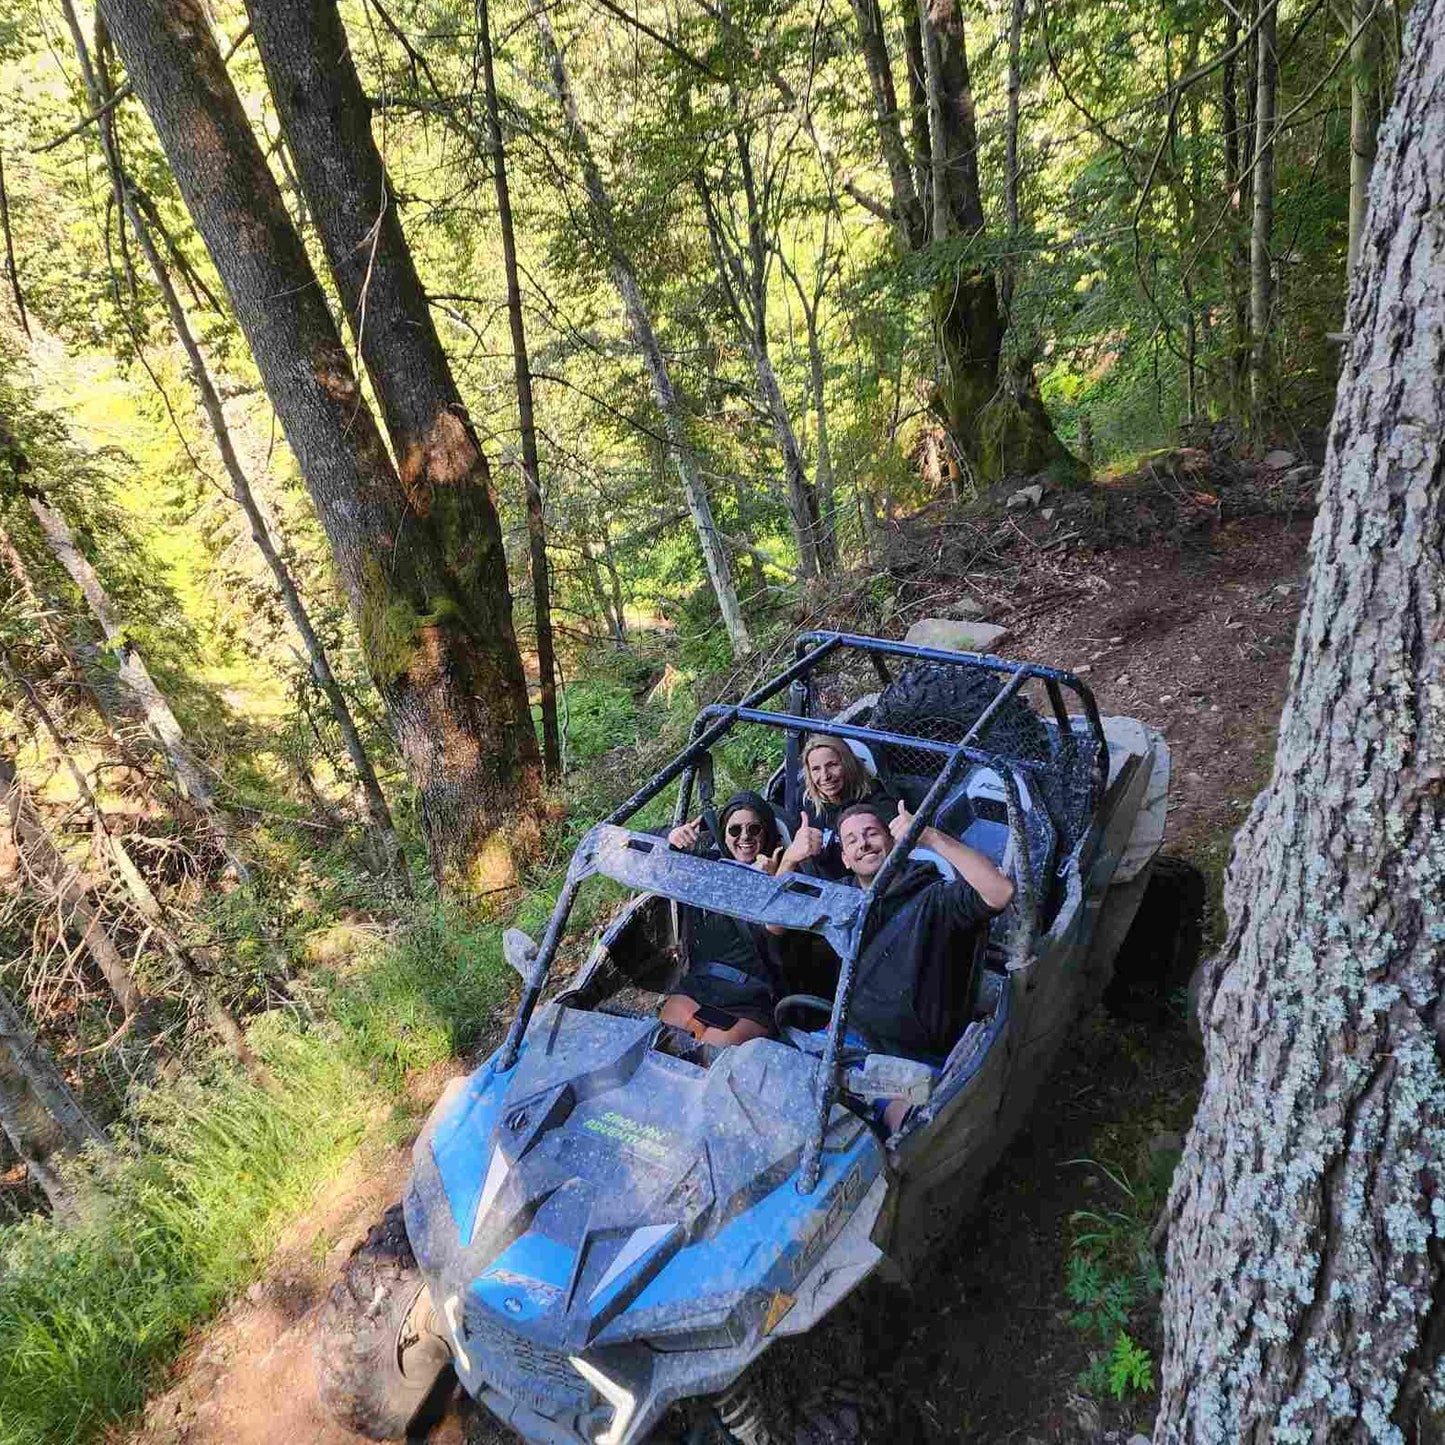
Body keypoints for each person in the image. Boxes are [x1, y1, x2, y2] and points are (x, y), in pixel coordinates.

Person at [774, 797, 1014, 1131]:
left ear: (892, 841)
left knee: (887, 1139)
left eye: (871, 833)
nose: (864, 844)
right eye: (852, 841)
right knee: (772, 1096)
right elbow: (775, 924)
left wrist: (929, 837)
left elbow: (999, 892)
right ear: (844, 858)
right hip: (846, 1040)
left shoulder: (934, 897)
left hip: (909, 1061)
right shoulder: (840, 899)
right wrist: (790, 859)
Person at [657, 791, 785, 1046]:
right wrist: (669, 836)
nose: (745, 837)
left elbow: (779, 935)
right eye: (735, 830)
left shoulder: (785, 874)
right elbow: (634, 845)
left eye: (754, 829)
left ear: (767, 833)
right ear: (723, 835)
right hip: (701, 984)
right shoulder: (708, 867)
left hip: (750, 996)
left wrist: (773, 884)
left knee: (712, 1050)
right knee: (664, 1039)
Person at [793, 733, 894, 879]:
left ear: (848, 764)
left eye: (832, 765)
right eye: (816, 769)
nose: (825, 776)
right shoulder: (805, 799)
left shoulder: (875, 800)